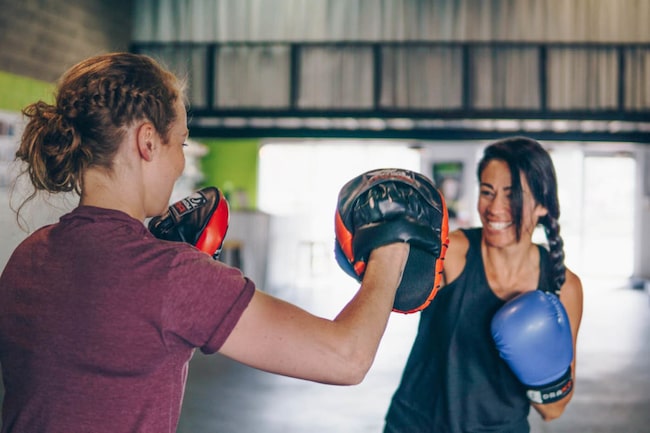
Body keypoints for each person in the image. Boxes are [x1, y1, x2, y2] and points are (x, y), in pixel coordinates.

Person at [0, 52, 417, 433]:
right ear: (147, 142)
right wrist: (391, 246)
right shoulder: (171, 275)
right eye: (180, 142)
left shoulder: (28, 255)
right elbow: (346, 358)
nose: (181, 160)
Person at [383, 136, 584, 433]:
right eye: (487, 192)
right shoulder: (453, 252)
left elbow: (553, 409)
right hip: (417, 424)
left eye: (512, 195)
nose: (495, 208)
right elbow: (396, 289)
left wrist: (536, 362)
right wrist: (389, 243)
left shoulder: (563, 287)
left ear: (542, 204)